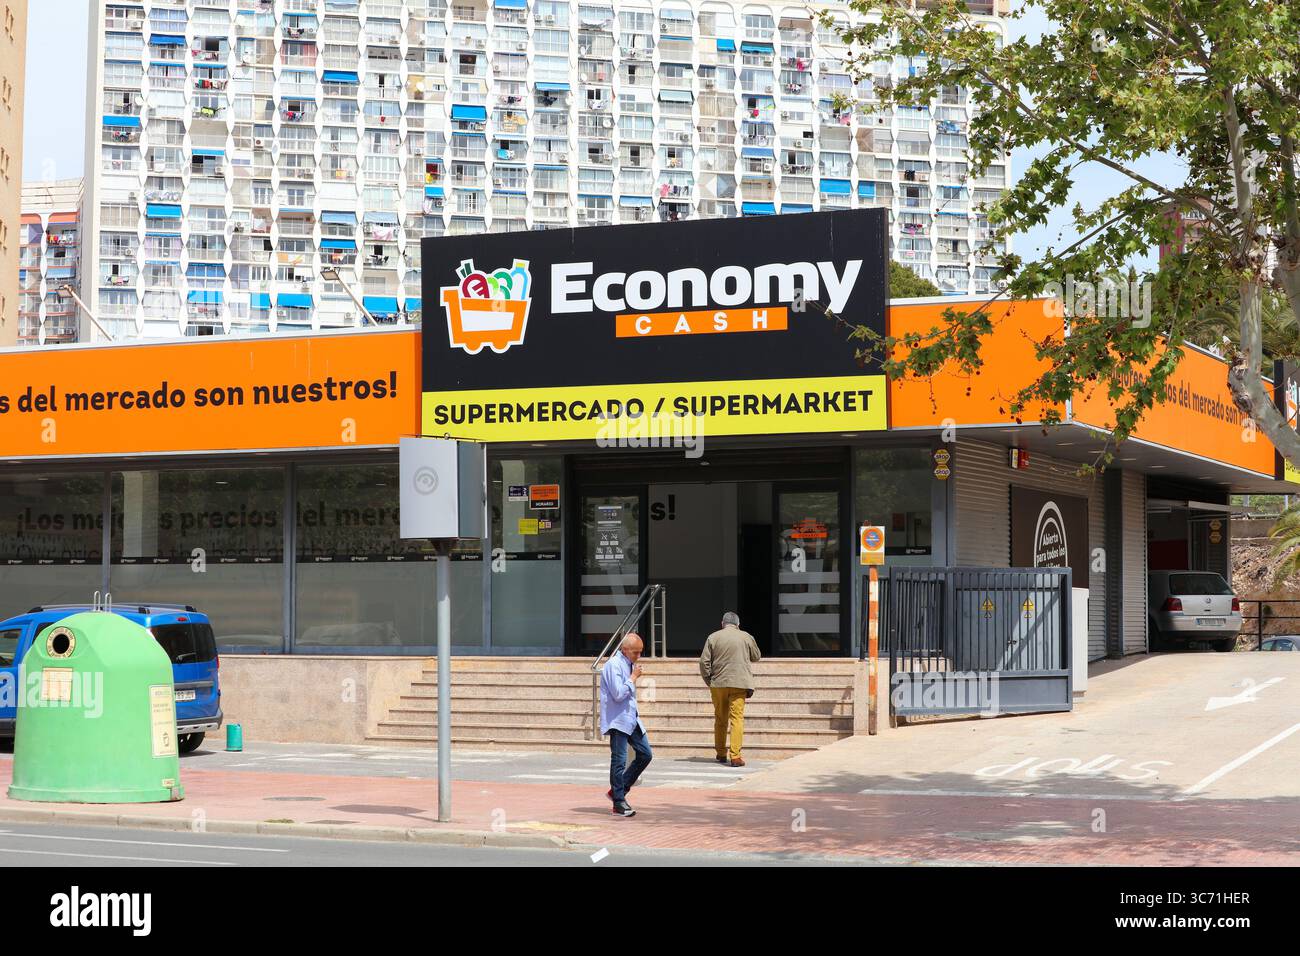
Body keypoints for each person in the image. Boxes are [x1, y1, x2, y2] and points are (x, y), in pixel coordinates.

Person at [599, 632, 653, 817]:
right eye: (635, 652)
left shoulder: (628, 664)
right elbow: (618, 693)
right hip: (617, 720)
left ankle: (618, 790)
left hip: (631, 718)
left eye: (640, 652)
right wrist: (633, 678)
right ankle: (619, 802)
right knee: (619, 760)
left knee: (645, 754)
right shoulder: (614, 665)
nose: (638, 656)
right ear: (624, 650)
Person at [699, 611, 761, 767]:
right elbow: (756, 656)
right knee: (737, 718)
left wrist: (709, 679)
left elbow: (704, 662)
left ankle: (720, 753)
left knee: (720, 719)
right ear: (738, 625)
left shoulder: (713, 637)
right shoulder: (746, 636)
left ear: (722, 624)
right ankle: (735, 756)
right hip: (739, 683)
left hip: (718, 684)